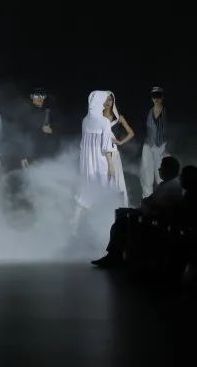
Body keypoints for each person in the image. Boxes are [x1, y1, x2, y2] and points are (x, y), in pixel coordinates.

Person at [92, 156, 183, 268]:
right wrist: (146, 203)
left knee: (121, 222)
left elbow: (155, 204)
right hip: (150, 214)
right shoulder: (164, 185)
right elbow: (149, 200)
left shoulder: (172, 186)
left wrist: (146, 205)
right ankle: (116, 253)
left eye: (162, 167)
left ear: (169, 170)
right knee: (121, 212)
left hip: (155, 220)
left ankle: (115, 255)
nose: (159, 170)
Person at [73, 90, 119, 226]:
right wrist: (111, 165)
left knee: (87, 192)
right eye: (103, 101)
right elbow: (106, 147)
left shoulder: (85, 120)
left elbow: (83, 145)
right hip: (100, 161)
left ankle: (75, 223)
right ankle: (105, 224)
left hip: (87, 162)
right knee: (104, 190)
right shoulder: (104, 122)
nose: (105, 104)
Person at [103, 91, 135, 208]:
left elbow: (131, 133)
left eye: (110, 100)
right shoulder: (98, 117)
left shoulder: (118, 117)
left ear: (113, 102)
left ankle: (118, 207)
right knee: (103, 180)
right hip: (100, 153)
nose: (107, 102)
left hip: (113, 153)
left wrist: (120, 142)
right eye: (105, 100)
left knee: (116, 181)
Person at [18, 88, 58, 169]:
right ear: (32, 97)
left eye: (42, 96)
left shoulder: (50, 112)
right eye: (36, 96)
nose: (39, 99)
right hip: (30, 156)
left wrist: (52, 131)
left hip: (48, 156)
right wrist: (22, 157)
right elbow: (21, 137)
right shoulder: (26, 114)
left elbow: (60, 134)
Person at [140, 87, 168, 199]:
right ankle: (146, 199)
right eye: (154, 96)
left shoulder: (167, 112)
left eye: (158, 96)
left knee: (161, 175)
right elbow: (143, 128)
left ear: (162, 97)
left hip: (162, 146)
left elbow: (171, 130)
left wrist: (167, 148)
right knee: (146, 174)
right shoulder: (148, 111)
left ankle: (164, 200)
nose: (156, 99)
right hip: (148, 145)